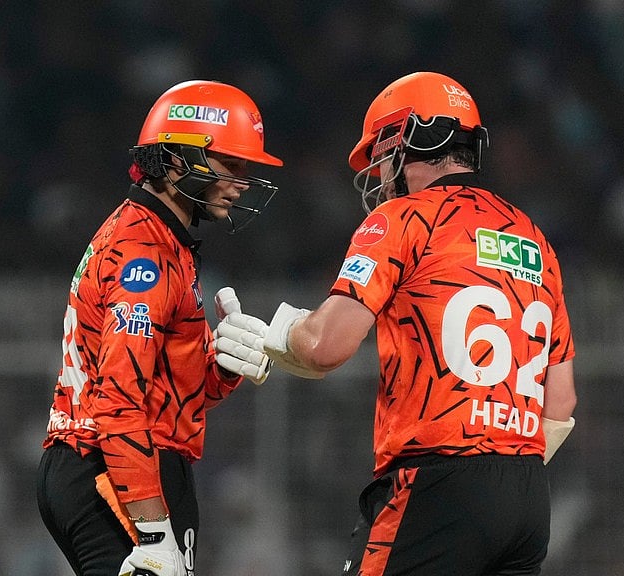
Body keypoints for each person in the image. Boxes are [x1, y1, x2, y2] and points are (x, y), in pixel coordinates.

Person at [217, 71, 578, 575]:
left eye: (384, 150)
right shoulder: (535, 237)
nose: (381, 170)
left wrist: (276, 336)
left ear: (413, 139)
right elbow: (560, 404)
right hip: (526, 497)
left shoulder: (403, 219)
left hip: (437, 479)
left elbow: (325, 346)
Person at [36, 79, 281, 576]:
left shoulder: (158, 239)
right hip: (116, 468)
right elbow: (121, 401)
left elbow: (166, 391)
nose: (241, 182)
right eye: (230, 164)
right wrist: (153, 533)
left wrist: (223, 366)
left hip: (102, 462)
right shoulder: (146, 255)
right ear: (175, 161)